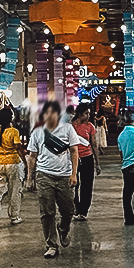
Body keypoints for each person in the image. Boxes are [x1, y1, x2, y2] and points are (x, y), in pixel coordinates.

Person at [25, 100, 80, 259]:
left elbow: (74, 151)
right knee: (47, 212)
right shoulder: (37, 132)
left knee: (68, 210)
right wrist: (30, 178)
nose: (49, 116)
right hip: (44, 176)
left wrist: (74, 174)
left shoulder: (68, 129)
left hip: (65, 177)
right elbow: (32, 157)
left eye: (52, 113)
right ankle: (51, 244)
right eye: (46, 113)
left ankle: (63, 229)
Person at [0, 105, 25, 229]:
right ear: (11, 118)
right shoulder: (14, 132)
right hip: (13, 163)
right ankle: (14, 217)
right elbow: (18, 148)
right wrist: (25, 162)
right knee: (14, 191)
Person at [71, 104, 100, 220]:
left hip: (87, 158)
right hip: (74, 159)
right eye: (86, 113)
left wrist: (97, 163)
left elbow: (94, 145)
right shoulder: (72, 126)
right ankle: (75, 207)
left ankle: (83, 211)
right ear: (79, 114)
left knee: (87, 185)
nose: (88, 116)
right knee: (74, 184)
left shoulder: (90, 127)